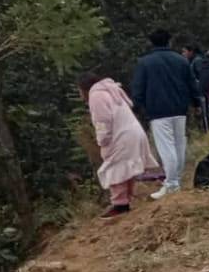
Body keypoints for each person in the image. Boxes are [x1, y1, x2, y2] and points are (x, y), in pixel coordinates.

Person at [80, 72, 159, 219]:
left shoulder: (96, 96)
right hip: (134, 132)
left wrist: (102, 140)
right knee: (126, 168)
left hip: (121, 136)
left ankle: (120, 204)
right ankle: (125, 200)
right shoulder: (112, 90)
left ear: (84, 89)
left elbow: (103, 121)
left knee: (114, 168)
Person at [131, 29, 197, 200]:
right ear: (169, 41)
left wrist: (137, 108)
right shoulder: (181, 60)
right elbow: (191, 83)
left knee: (167, 148)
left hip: (158, 110)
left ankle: (171, 184)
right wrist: (196, 102)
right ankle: (176, 181)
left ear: (151, 42)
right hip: (180, 108)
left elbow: (138, 87)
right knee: (179, 144)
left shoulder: (145, 62)